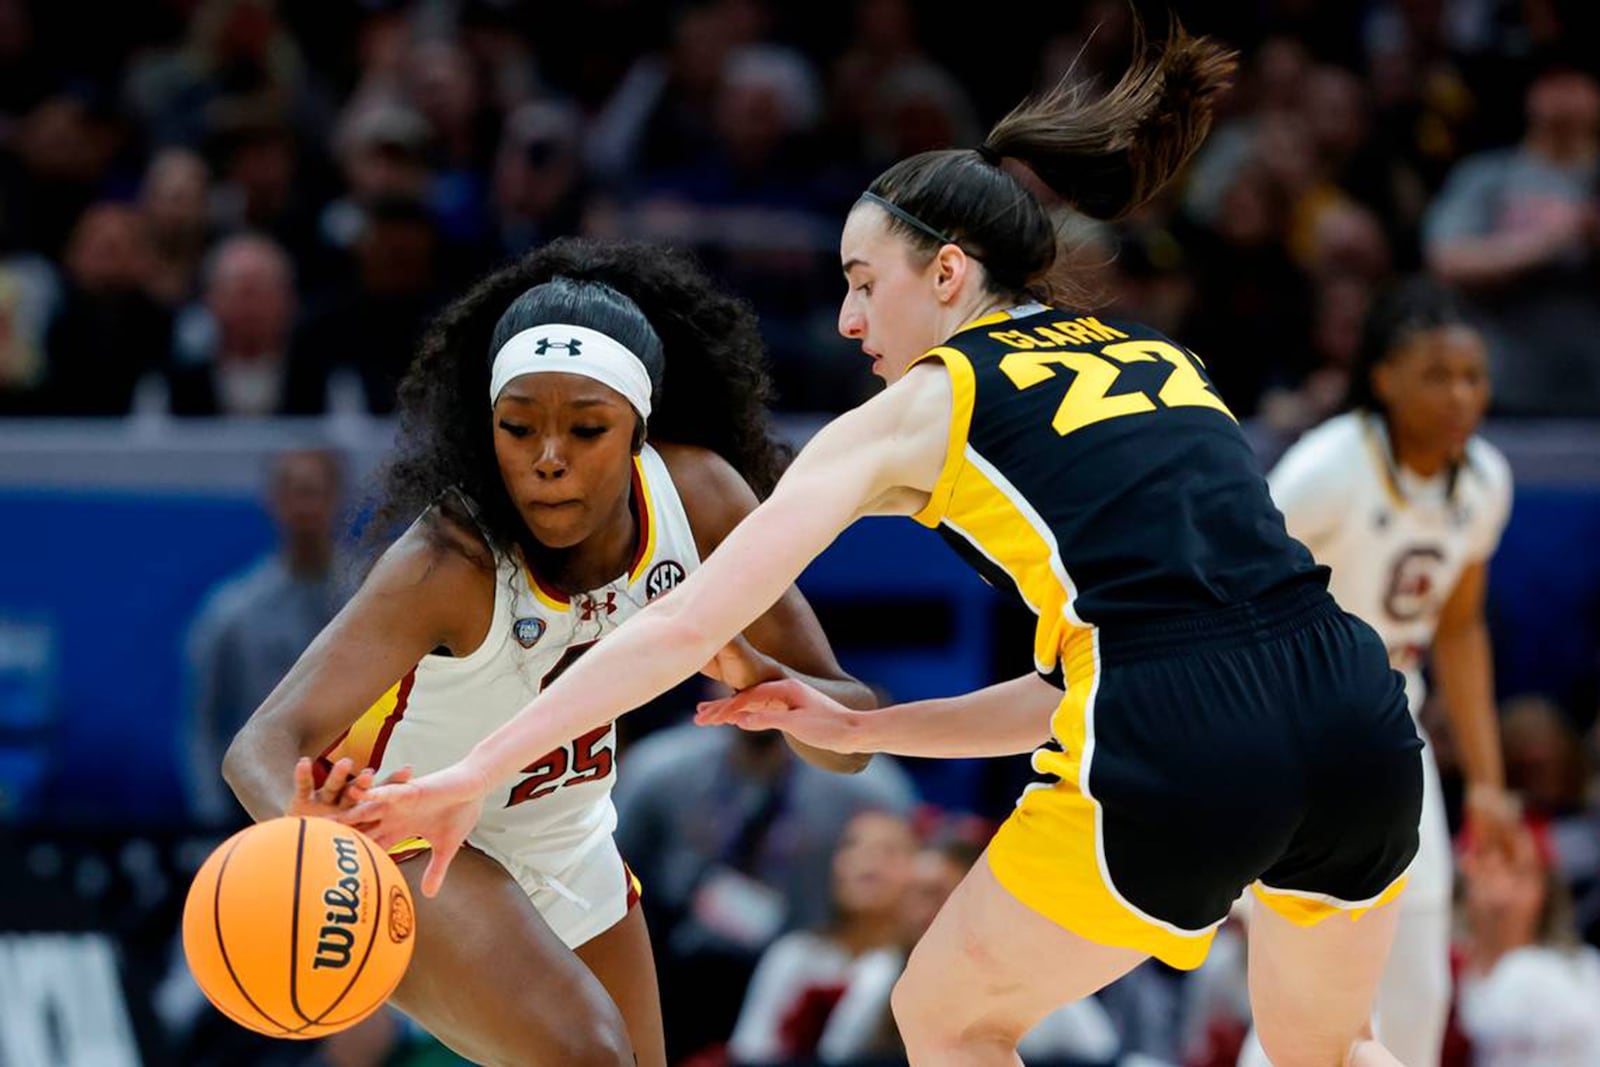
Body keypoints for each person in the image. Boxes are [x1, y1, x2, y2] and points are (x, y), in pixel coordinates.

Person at [345, 23, 1425, 1067]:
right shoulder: (1159, 359)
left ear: (948, 274)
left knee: (945, 1017)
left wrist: (473, 770)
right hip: (1353, 710)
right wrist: (876, 720)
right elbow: (1093, 682)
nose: (853, 322)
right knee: (1327, 1046)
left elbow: (685, 619)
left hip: (1183, 730)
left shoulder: (921, 406)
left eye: (865, 283)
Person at [223, 238, 876, 1067]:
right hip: (414, 842)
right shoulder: (448, 560)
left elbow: (851, 732)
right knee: (587, 1056)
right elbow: (259, 743)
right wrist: (306, 830)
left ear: (640, 428)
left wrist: (777, 688)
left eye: (588, 428)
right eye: (519, 428)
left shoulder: (699, 497)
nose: (548, 458)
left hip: (569, 837)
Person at [1249, 278, 1517, 1064]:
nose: (1461, 394)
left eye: (1473, 376)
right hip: (1294, 726)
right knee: (1302, 970)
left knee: (1418, 953)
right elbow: (1236, 589)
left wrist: (1493, 782)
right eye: (1437, 374)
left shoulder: (1487, 480)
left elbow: (1462, 630)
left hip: (1394, 722)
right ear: (1384, 377)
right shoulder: (1327, 468)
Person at [184, 448, 345, 827]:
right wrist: (211, 823)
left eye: (315, 491)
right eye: (295, 492)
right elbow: (202, 725)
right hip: (254, 817)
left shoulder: (376, 601)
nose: (305, 506)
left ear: (338, 497)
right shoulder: (232, 612)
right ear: (274, 500)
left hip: (354, 802)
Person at [726, 809, 917, 1064]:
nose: (868, 860)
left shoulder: (911, 971)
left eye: (889, 851)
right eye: (852, 846)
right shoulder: (793, 951)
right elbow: (748, 1050)